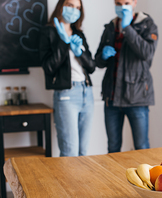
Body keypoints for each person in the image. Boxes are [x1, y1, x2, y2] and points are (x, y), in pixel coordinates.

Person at [95, 0, 158, 153]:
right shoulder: (110, 27)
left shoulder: (147, 24)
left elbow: (147, 53)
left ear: (135, 2)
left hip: (137, 97)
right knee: (113, 147)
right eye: (118, 2)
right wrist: (103, 56)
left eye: (126, 2)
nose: (122, 6)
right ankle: (112, 178)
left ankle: (143, 178)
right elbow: (98, 62)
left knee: (142, 147)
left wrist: (127, 28)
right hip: (112, 97)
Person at [39, 0, 95, 156]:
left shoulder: (79, 34)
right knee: (70, 152)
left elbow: (91, 66)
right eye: (70, 5)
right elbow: (48, 67)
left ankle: (81, 182)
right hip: (66, 94)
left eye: (78, 8)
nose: (74, 10)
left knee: (83, 152)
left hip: (87, 92)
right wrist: (63, 43)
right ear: (61, 6)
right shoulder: (48, 32)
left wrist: (79, 53)